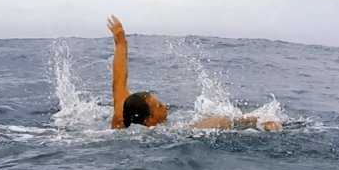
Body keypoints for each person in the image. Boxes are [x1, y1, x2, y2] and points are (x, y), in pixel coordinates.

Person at [107, 16, 282, 131]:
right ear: (148, 121)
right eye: (159, 107)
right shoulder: (174, 133)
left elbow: (119, 81)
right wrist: (258, 119)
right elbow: (221, 121)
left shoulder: (120, 117)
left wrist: (121, 43)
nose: (166, 107)